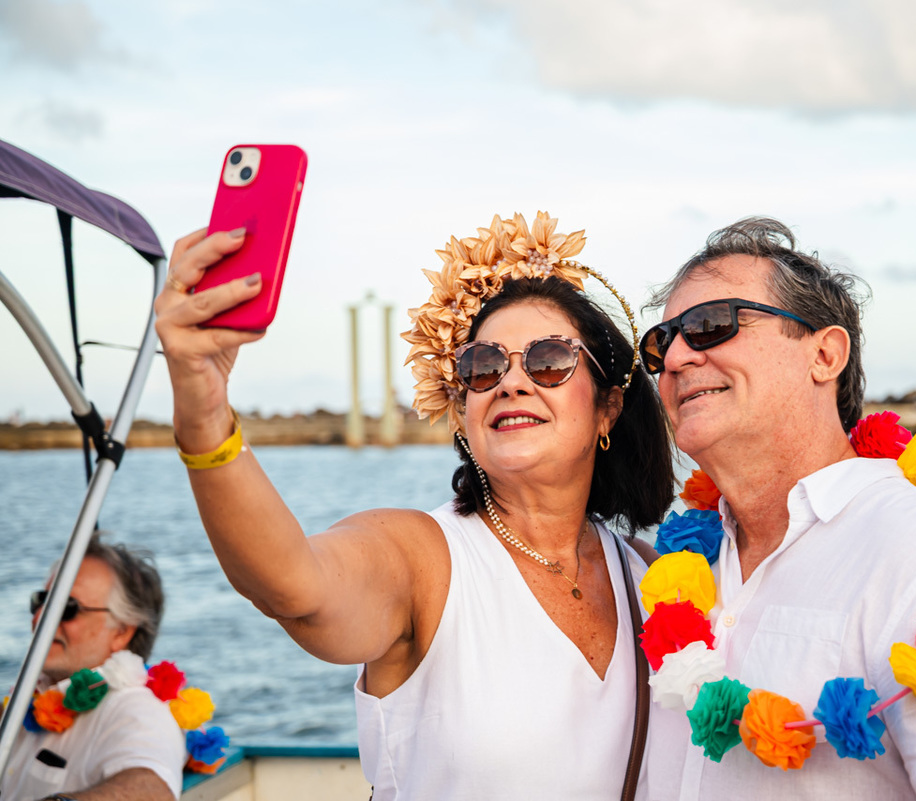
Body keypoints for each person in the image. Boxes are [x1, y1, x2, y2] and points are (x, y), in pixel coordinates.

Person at [153, 211, 674, 799]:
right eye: (483, 367)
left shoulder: (649, 572)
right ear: (462, 415)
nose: (511, 382)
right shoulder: (423, 558)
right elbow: (293, 586)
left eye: (548, 360)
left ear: (608, 407)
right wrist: (202, 409)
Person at [638, 217, 916, 801]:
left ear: (825, 355)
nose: (676, 357)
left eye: (710, 325)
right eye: (661, 342)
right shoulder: (677, 567)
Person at [2, 535, 185, 801]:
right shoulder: (28, 700)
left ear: (121, 632)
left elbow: (151, 790)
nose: (40, 617)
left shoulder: (136, 710)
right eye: (41, 600)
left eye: (67, 607)